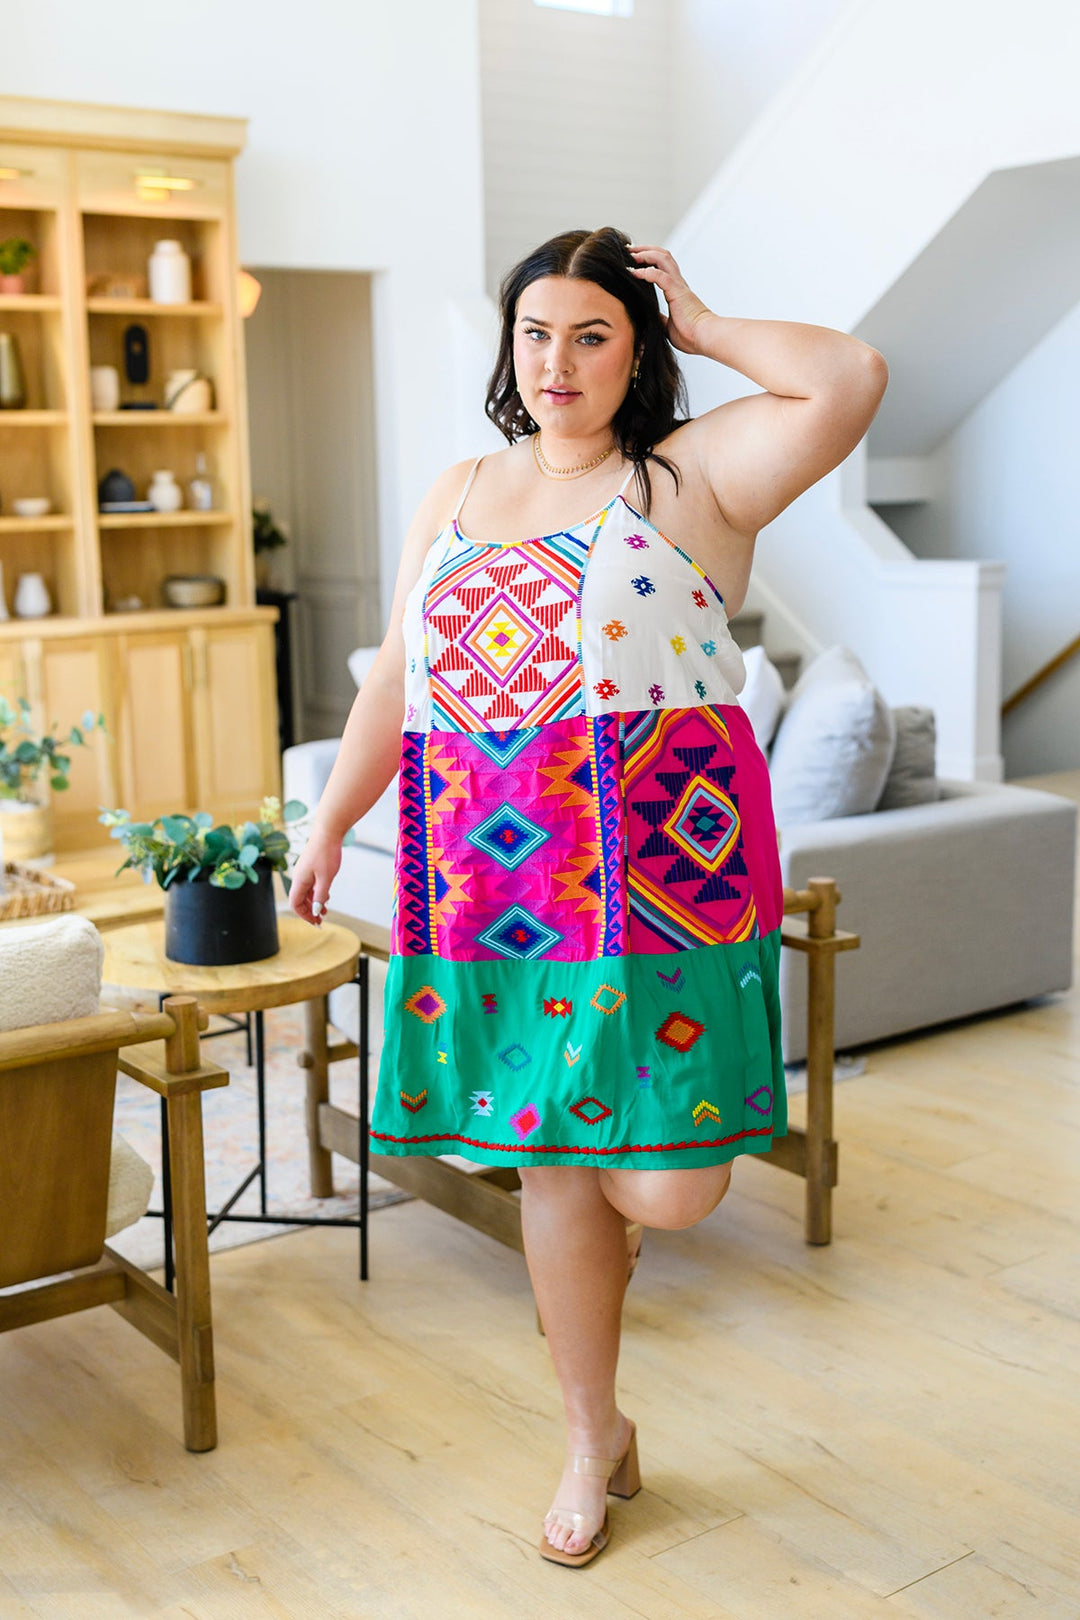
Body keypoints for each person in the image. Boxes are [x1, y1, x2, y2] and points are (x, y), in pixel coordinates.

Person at [289, 225, 888, 1568]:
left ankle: (596, 1318)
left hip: (664, 884)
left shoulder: (689, 476)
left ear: (637, 349)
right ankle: (588, 1432)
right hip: (492, 883)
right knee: (554, 1164)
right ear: (510, 346)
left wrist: (709, 324)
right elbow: (396, 673)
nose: (556, 361)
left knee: (669, 1192)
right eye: (535, 333)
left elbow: (849, 375)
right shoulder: (457, 490)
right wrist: (331, 820)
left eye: (592, 334)